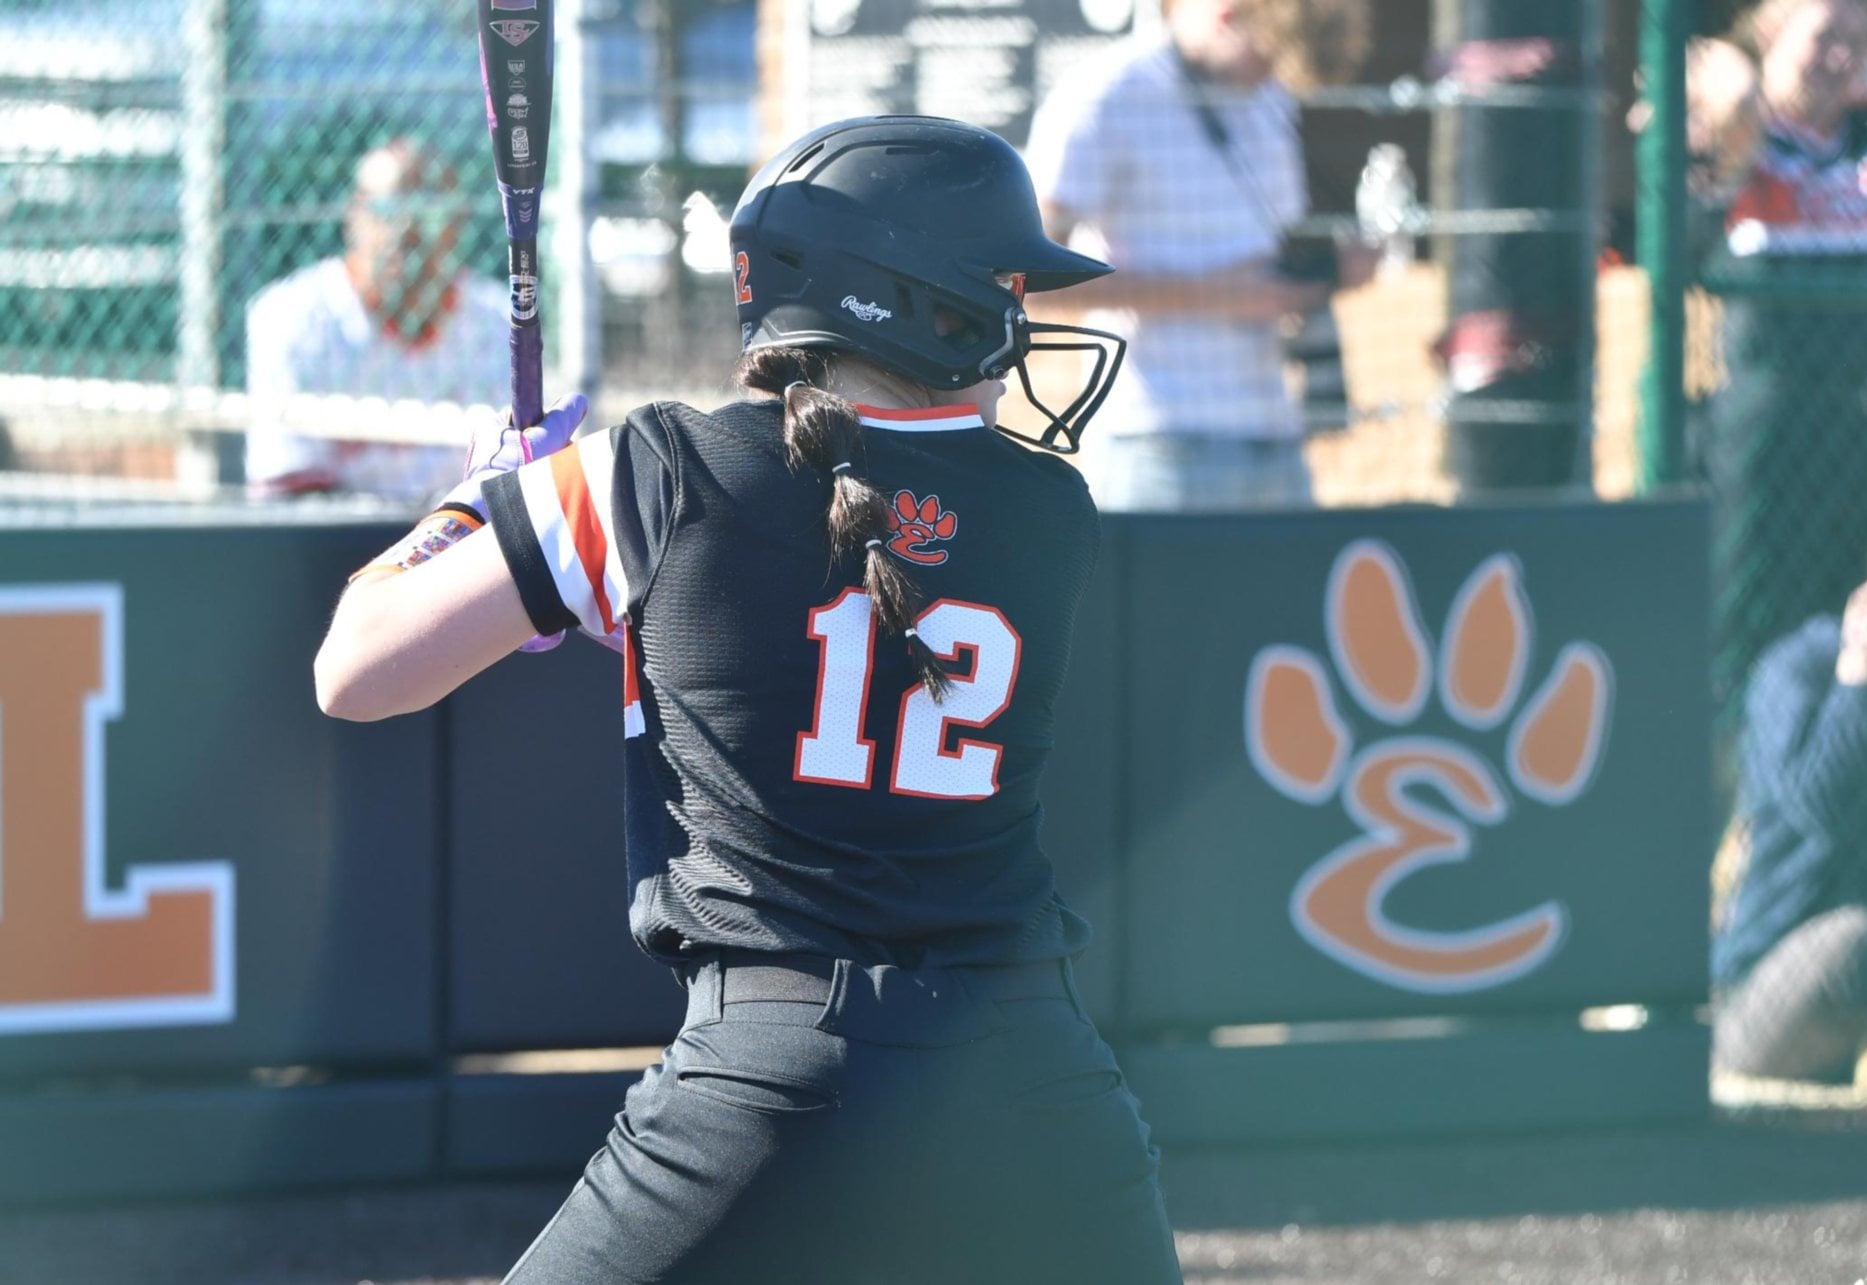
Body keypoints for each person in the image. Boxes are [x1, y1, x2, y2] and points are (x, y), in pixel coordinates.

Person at [312, 115, 1180, 1283]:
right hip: (1040, 1081)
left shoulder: (655, 467)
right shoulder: (1052, 514)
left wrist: (479, 505)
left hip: (777, 1078)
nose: (1018, 329)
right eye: (1002, 293)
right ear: (913, 301)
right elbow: (810, 602)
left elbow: (354, 671)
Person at [1023, 0, 1370, 512]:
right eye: (1269, 57)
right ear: (1229, 16)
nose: (1274, 76)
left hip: (1276, 432)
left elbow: (1271, 253)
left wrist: (1329, 270)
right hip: (1160, 444)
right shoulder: (1106, 95)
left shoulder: (1269, 95)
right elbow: (1026, 277)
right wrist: (1219, 294)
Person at [1684, 0, 1867, 725]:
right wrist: (1718, 79)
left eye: (1858, 39)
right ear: (1770, 31)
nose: (1839, 58)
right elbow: (1698, 105)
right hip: (1774, 426)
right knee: (1756, 627)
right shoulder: (1739, 124)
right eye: (1823, 37)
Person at [1713, 502, 1867, 1093]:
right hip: (1769, 996)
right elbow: (1824, 806)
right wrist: (1859, 676)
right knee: (1856, 941)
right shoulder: (1798, 669)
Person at [246, 138, 510, 500]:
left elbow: (510, 488)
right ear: (354, 217)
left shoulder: (499, 324)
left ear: (458, 225)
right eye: (388, 208)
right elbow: (289, 494)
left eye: (428, 212)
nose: (406, 230)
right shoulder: (293, 317)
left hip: (462, 542)